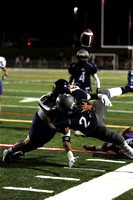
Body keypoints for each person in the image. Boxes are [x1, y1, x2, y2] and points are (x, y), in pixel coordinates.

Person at [52, 71, 133, 160]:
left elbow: (92, 106)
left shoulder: (77, 98)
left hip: (96, 114)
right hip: (97, 129)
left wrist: (93, 103)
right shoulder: (63, 119)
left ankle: (129, 87)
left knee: (105, 92)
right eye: (73, 107)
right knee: (119, 140)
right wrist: (70, 155)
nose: (76, 107)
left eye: (75, 104)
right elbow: (66, 138)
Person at [2, 79, 79, 167]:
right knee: (28, 141)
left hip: (54, 122)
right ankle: (9, 151)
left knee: (39, 143)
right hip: (41, 120)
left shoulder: (70, 97)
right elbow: (51, 124)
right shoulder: (47, 101)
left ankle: (22, 151)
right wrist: (60, 128)